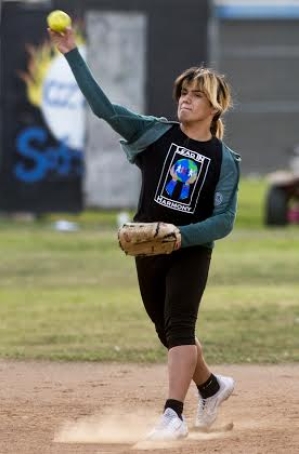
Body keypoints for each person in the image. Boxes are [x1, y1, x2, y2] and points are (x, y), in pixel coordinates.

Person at [48, 25, 241, 442]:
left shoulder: (224, 159)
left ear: (215, 107)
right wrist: (71, 53)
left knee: (181, 327)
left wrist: (182, 235)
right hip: (147, 246)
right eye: (183, 93)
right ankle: (211, 387)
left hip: (190, 249)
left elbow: (224, 220)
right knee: (166, 330)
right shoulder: (155, 134)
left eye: (194, 95)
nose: (184, 100)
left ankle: (173, 415)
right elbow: (102, 107)